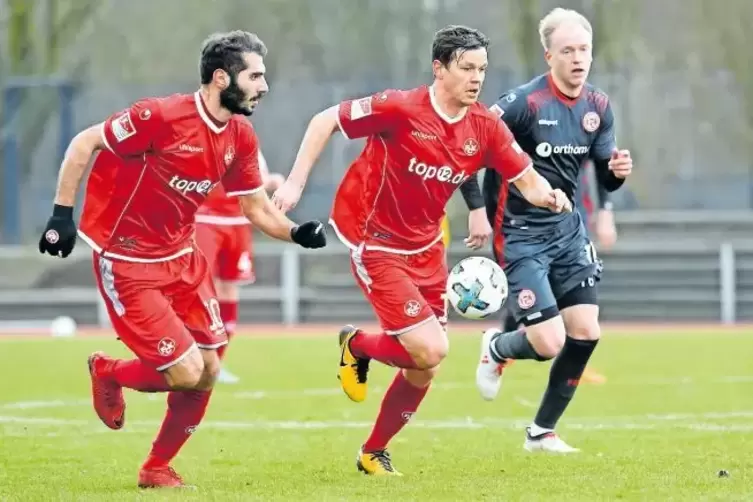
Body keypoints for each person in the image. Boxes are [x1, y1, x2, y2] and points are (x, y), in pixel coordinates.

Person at [272, 25, 571, 475]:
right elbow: (325, 120)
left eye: (483, 70)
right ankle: (359, 347)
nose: (477, 78)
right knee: (430, 350)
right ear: (439, 68)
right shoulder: (400, 108)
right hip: (372, 237)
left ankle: (372, 451)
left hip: (426, 244)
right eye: (467, 68)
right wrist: (295, 183)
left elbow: (525, 178)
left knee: (423, 367)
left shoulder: (485, 127)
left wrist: (549, 195)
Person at [37, 31, 326, 488]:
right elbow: (83, 143)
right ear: (220, 77)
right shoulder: (160, 116)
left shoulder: (241, 136)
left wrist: (296, 232)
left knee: (209, 370)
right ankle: (107, 370)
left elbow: (255, 207)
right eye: (255, 75)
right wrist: (60, 215)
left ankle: (156, 468)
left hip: (182, 259)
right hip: (129, 262)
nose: (264, 86)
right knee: (186, 370)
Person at [472, 8, 633, 453]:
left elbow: (604, 173)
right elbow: (469, 146)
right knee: (548, 342)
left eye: (584, 49)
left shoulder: (597, 106)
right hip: (519, 231)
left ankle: (541, 432)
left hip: (568, 232)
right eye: (568, 50)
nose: (578, 58)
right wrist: (475, 211)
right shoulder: (522, 104)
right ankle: (499, 346)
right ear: (549, 56)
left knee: (586, 331)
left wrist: (617, 176)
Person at [195, 150, 285, 384]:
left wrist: (270, 181)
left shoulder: (249, 142)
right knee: (203, 288)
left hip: (240, 222)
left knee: (229, 289)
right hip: (207, 220)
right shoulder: (208, 136)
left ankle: (216, 364)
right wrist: (269, 181)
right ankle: (191, 359)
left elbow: (255, 178)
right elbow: (235, 176)